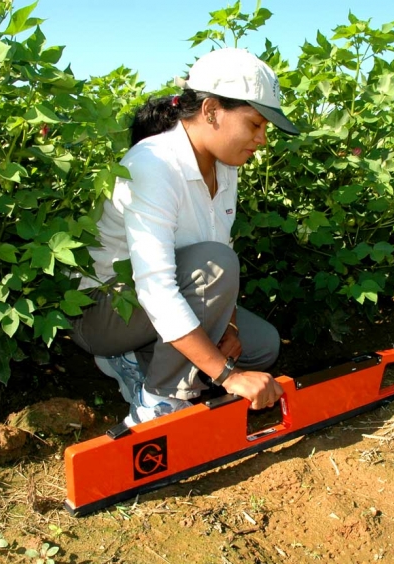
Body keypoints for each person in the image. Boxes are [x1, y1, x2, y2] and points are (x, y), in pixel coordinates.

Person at [70, 48, 299, 427]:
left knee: (262, 347)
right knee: (215, 268)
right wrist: (228, 375)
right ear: (211, 111)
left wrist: (230, 328)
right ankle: (159, 402)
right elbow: (159, 288)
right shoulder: (153, 164)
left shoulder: (225, 167)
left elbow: (217, 251)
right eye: (255, 124)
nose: (261, 139)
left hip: (154, 307)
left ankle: (135, 358)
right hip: (104, 309)